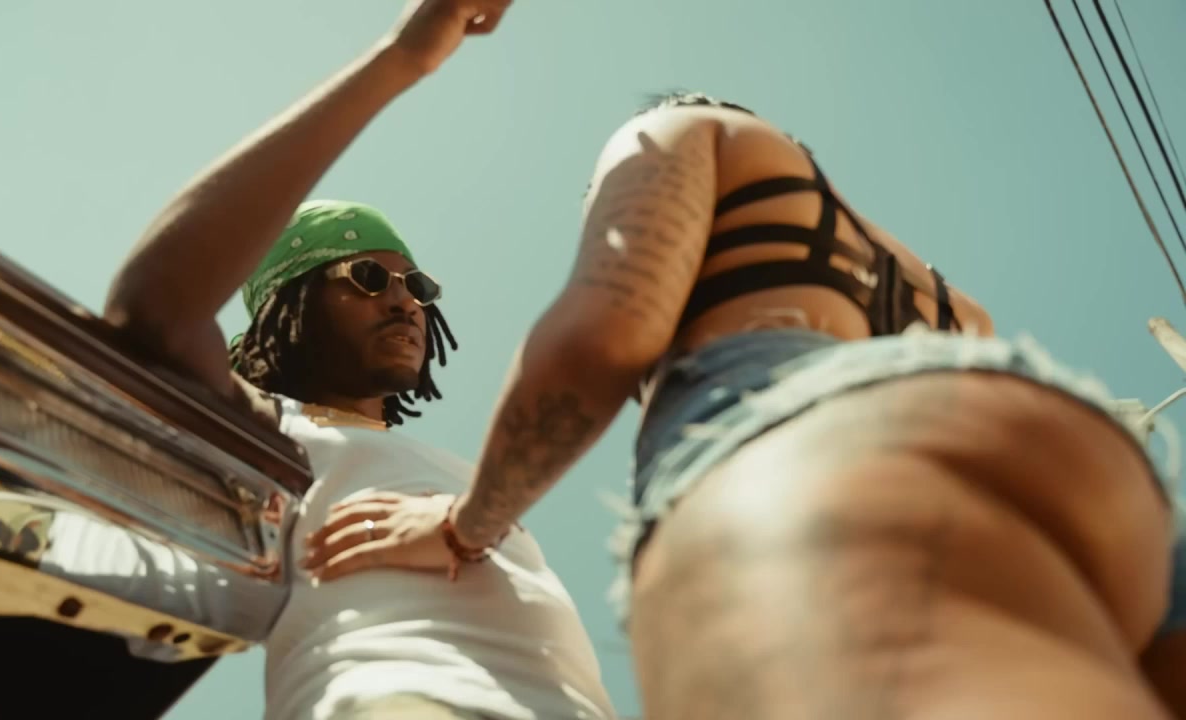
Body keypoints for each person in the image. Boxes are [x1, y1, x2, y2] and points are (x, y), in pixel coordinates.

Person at [307, 92, 1186, 718]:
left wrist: (465, 524)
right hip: (1091, 469)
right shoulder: (911, 271)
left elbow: (603, 336)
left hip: (796, 437)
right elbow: (963, 371)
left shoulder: (683, 131)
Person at [103, 1, 617, 718]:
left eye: (419, 286)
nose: (406, 302)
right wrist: (401, 59)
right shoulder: (267, 435)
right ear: (290, 308)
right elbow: (156, 312)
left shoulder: (456, 473)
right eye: (367, 278)